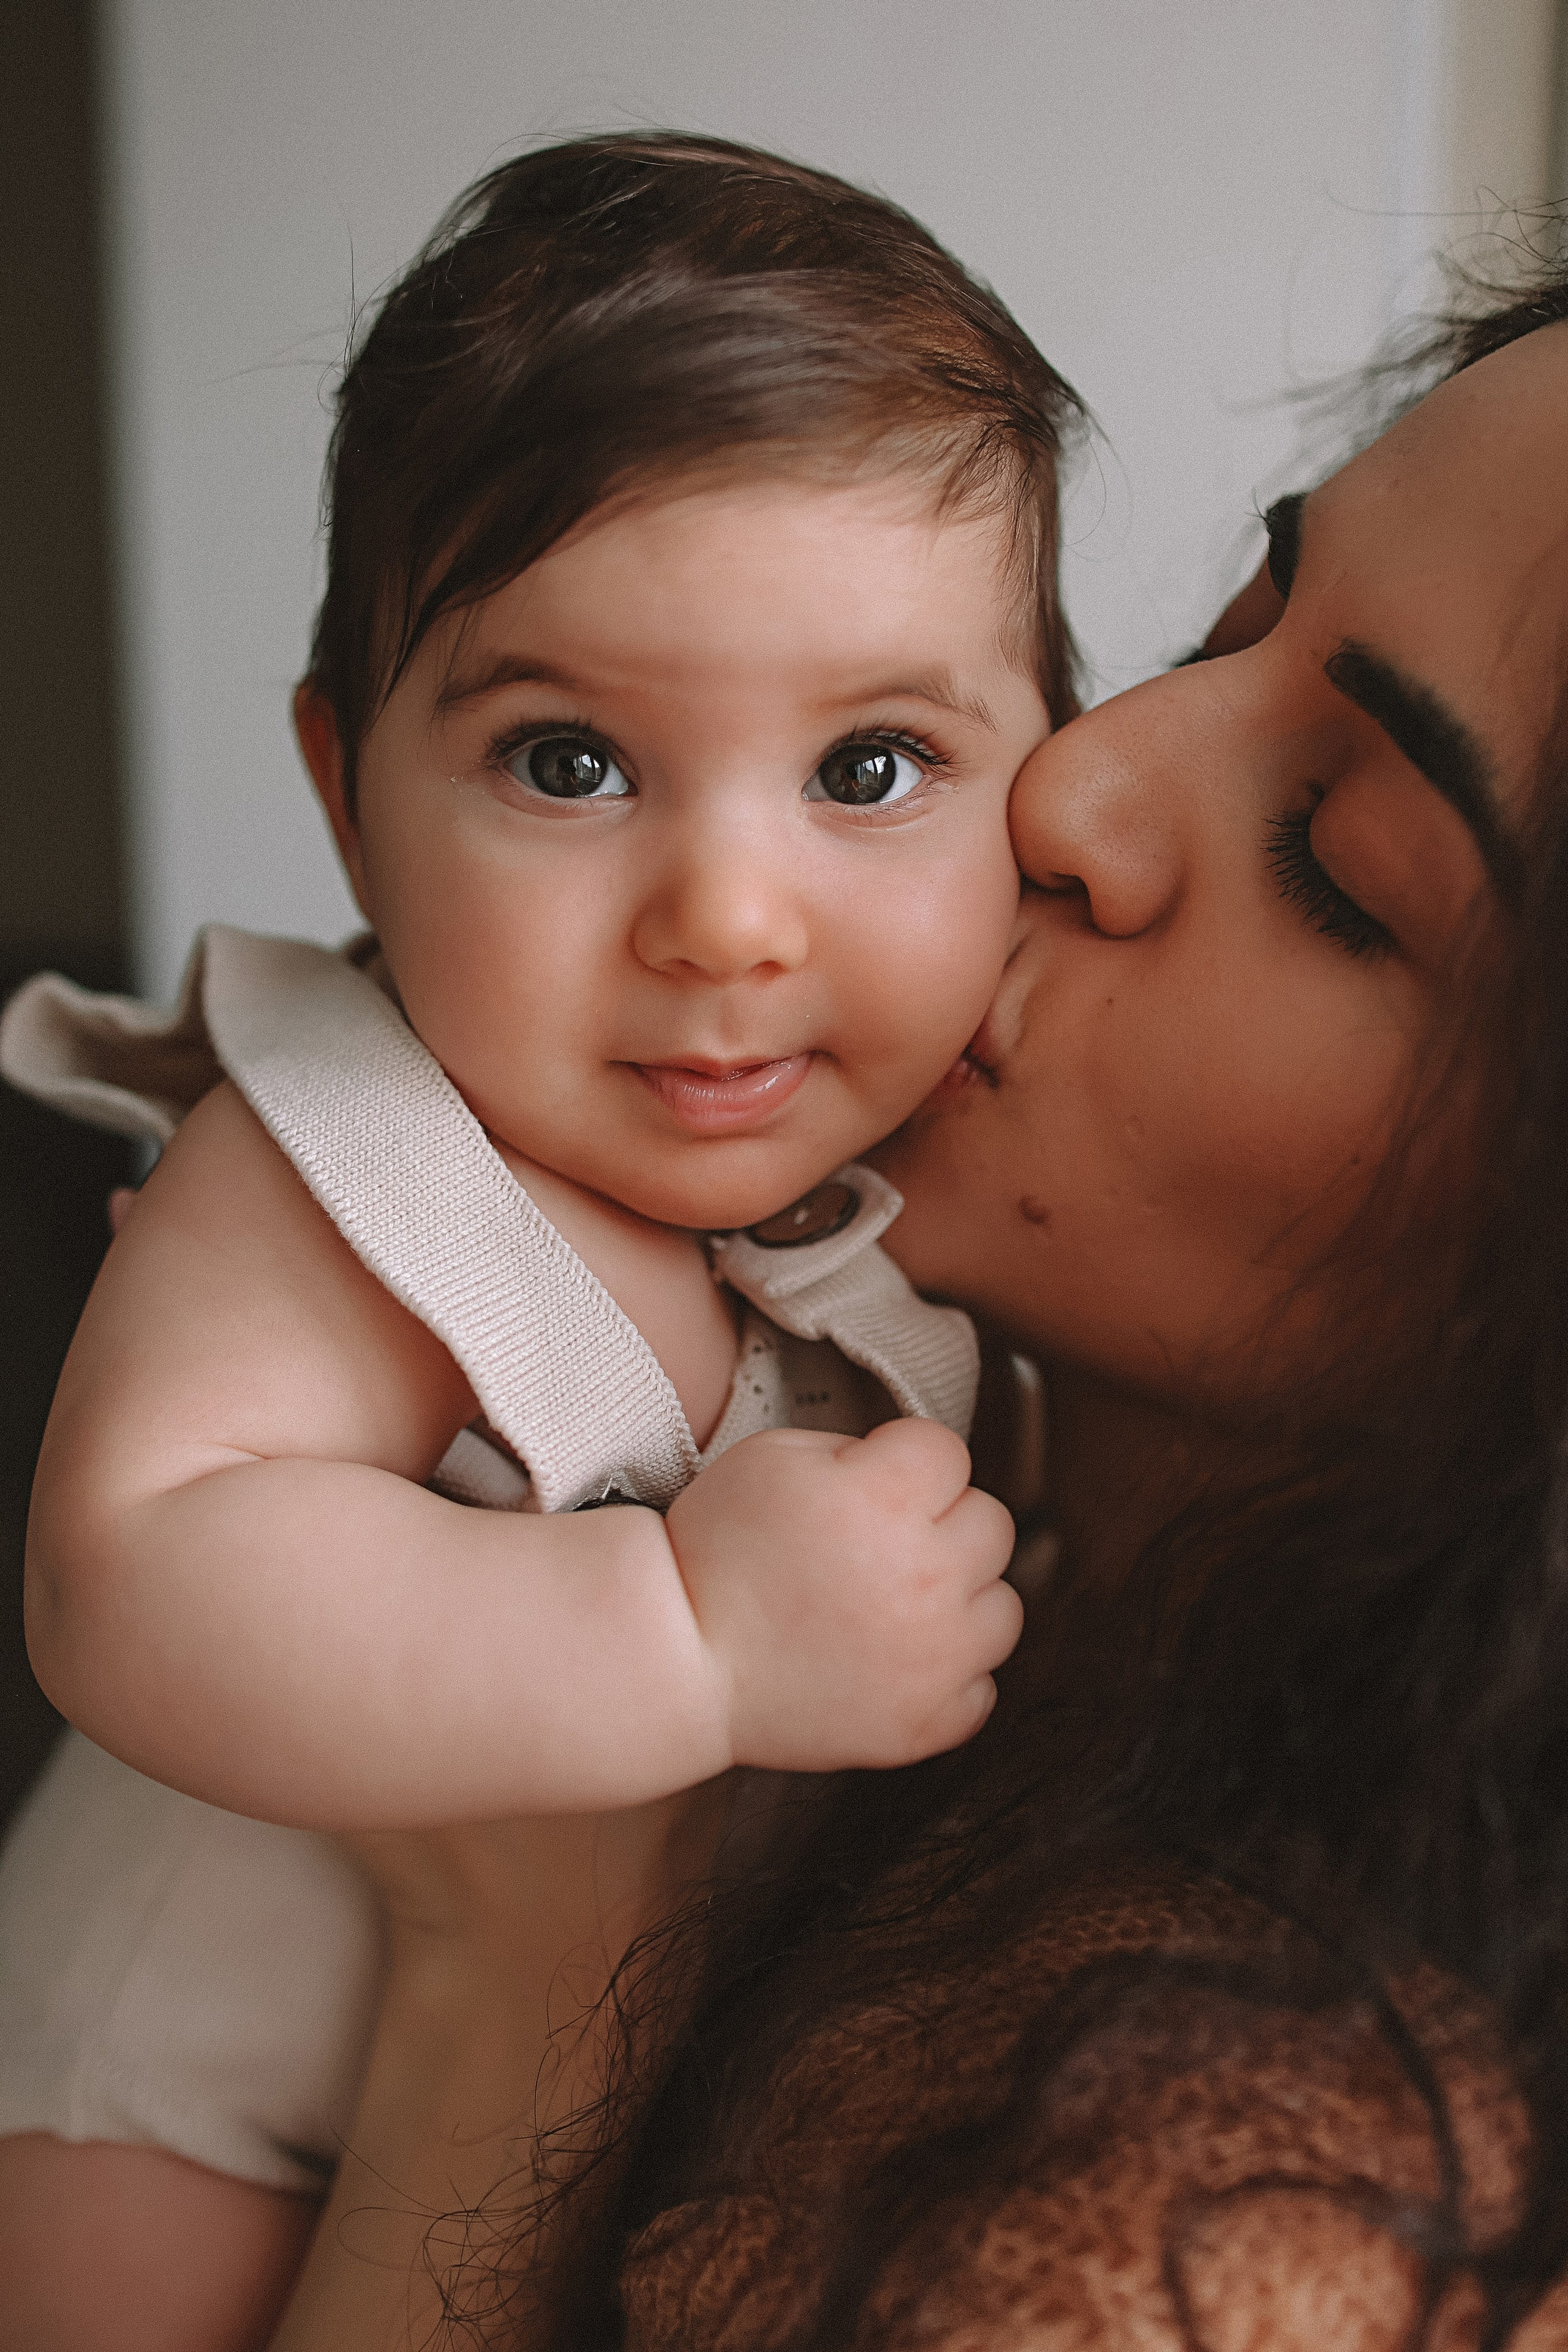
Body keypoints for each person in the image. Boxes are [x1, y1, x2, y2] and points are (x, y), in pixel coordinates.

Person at [240, 266, 1568, 2347]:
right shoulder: (1016, 1579)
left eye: (1337, 859)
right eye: (1234, 621)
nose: (1065, 789)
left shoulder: (1204, 2245)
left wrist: (513, 1999)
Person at [0, 132, 1084, 2342]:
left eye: (873, 769)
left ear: (1044, 781)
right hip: (167, 2101)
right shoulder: (350, 1163)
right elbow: (132, 1570)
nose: (727, 921)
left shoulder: (935, 1189)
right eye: (571, 763)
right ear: (344, 791)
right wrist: (684, 1638)